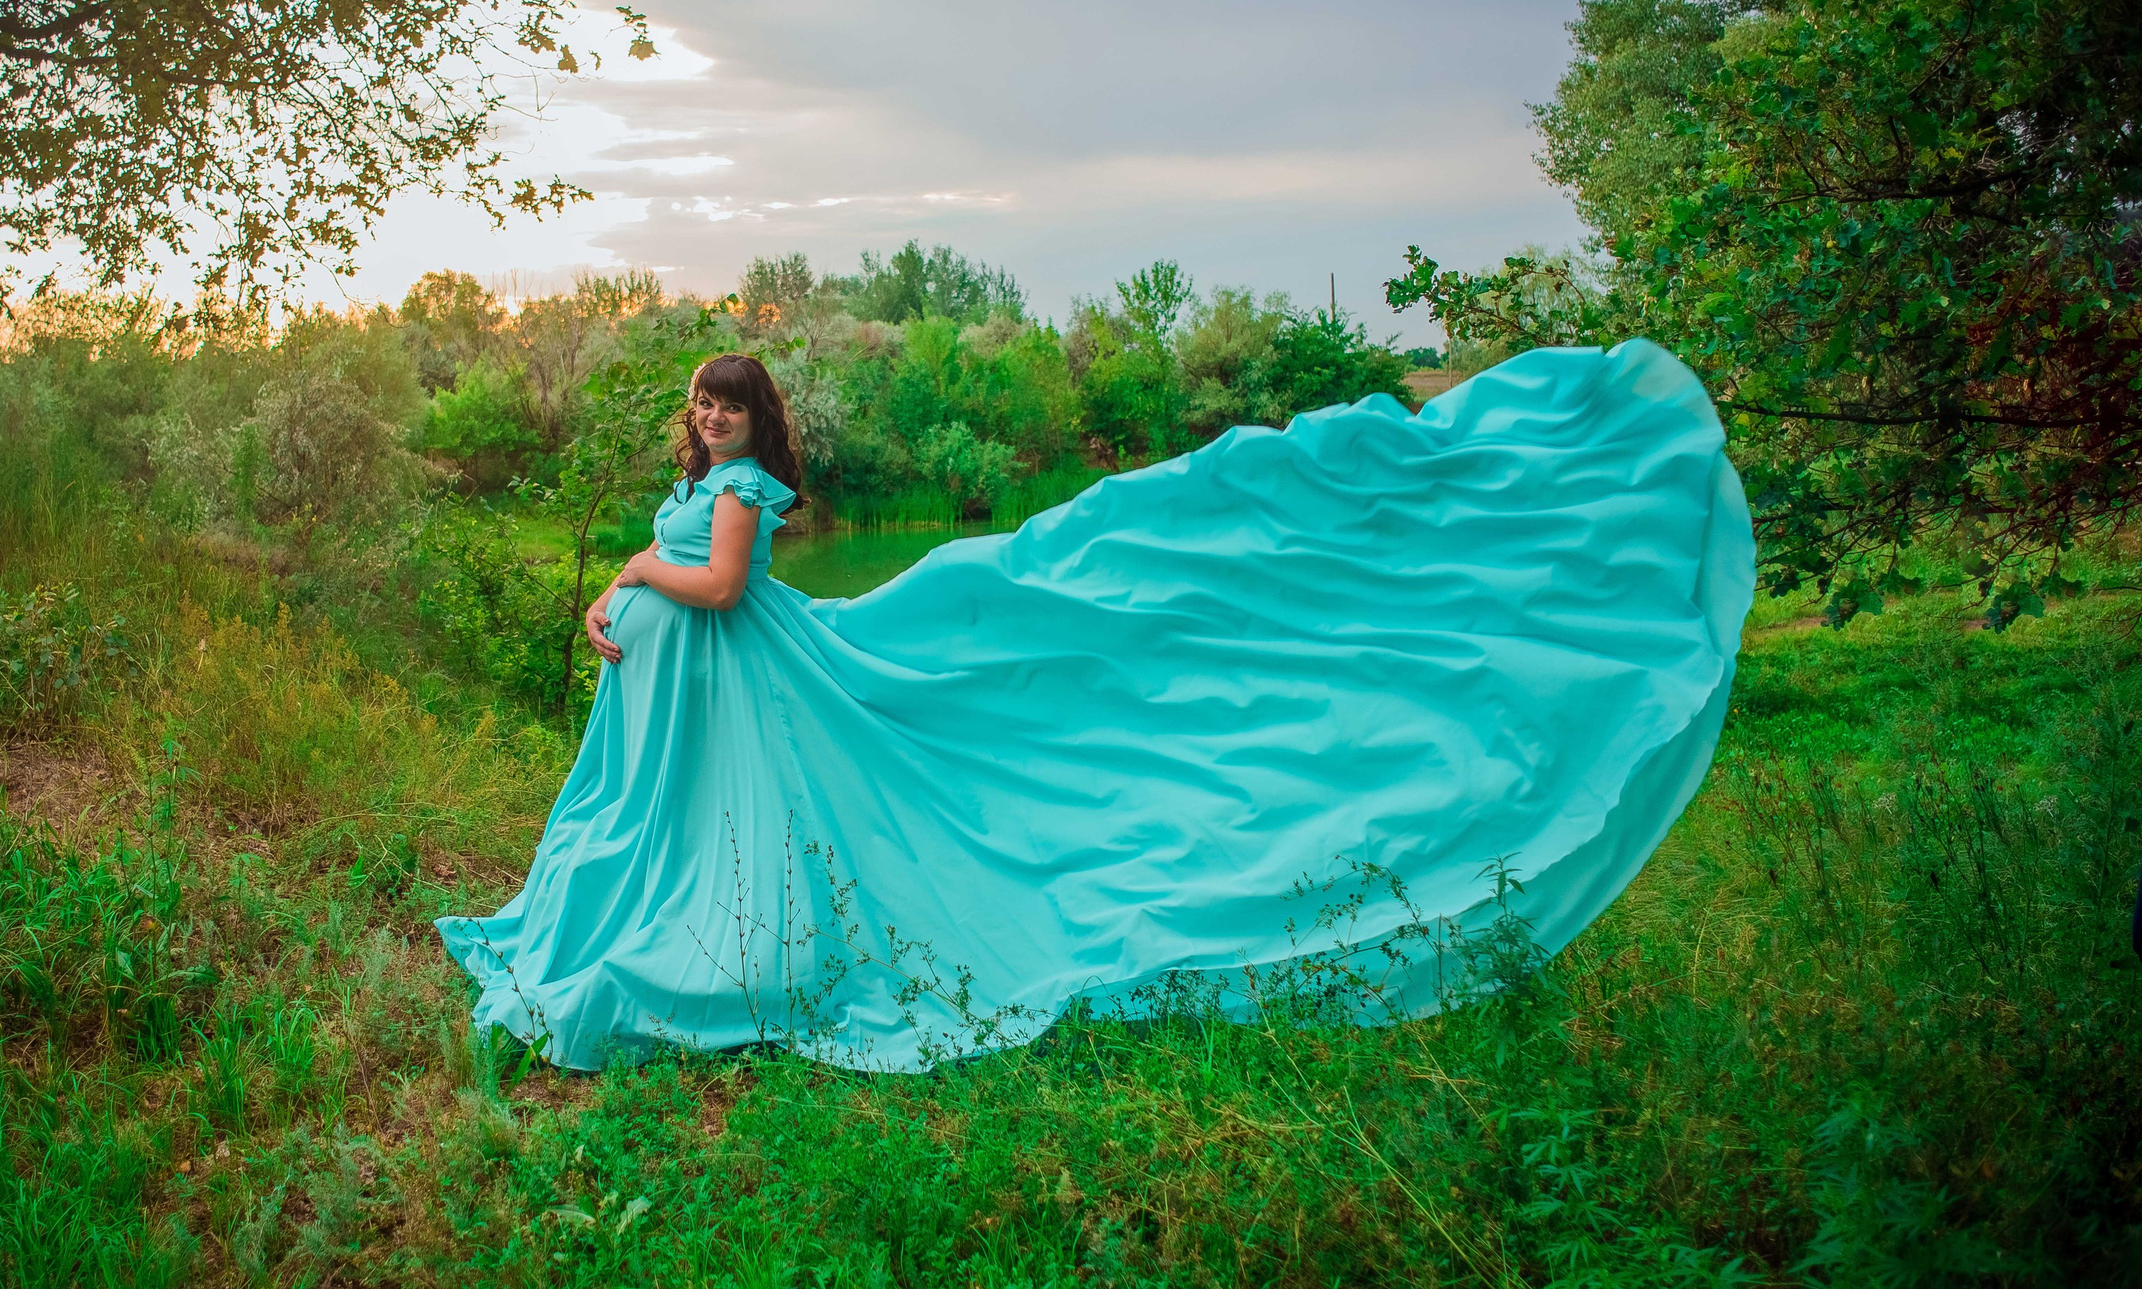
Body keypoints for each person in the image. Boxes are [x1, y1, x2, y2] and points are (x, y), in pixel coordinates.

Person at [438, 341, 1755, 1071]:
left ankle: (745, 946)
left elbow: (719, 590)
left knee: (819, 828)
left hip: (744, 684)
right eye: (703, 402)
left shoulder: (746, 496)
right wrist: (617, 614)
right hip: (684, 708)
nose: (714, 416)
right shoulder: (695, 479)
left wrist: (628, 572)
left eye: (732, 404)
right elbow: (676, 590)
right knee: (681, 838)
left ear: (757, 421)